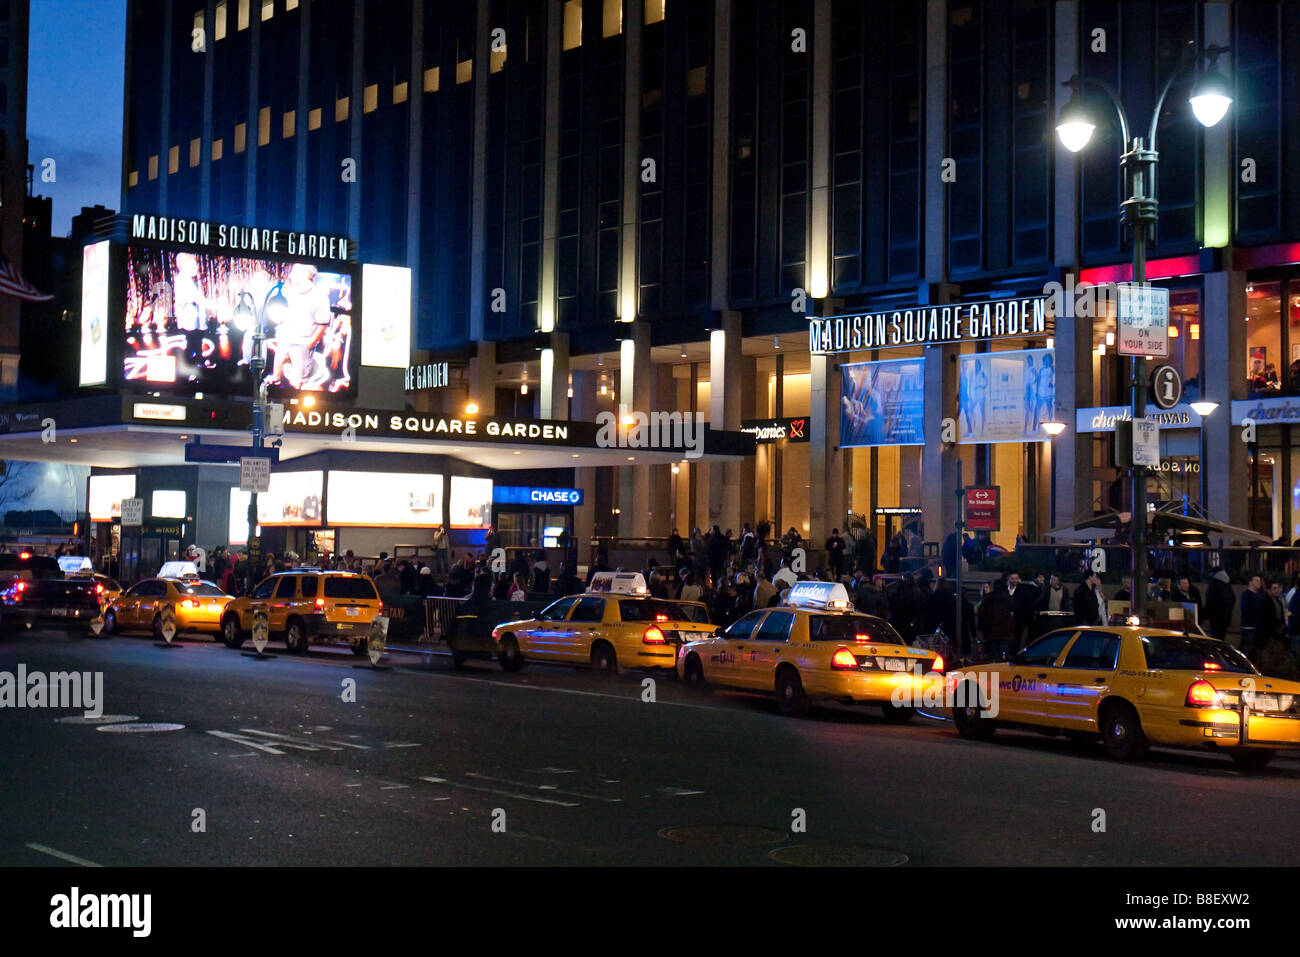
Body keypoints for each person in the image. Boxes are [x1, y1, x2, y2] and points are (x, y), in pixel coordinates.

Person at [977, 579, 1015, 661]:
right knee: (1003, 656)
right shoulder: (1009, 599)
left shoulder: (988, 598)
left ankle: (993, 670)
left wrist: (982, 629)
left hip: (990, 632)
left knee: (992, 656)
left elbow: (982, 615)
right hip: (1005, 632)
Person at [1257, 580, 1287, 654]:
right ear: (1269, 590)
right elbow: (1264, 619)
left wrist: (1282, 625)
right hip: (1267, 635)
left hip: (1276, 634)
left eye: (1277, 588)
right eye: (1274, 588)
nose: (1277, 590)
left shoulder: (1278, 601)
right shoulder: (1264, 601)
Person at [1204, 569, 1234, 641]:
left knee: (1215, 639)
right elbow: (1233, 599)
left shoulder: (1214, 583)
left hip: (1215, 618)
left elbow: (1210, 601)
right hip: (1225, 618)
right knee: (1221, 639)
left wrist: (1206, 617)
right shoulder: (1227, 584)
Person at [1239, 574, 1263, 655]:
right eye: (1256, 580)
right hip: (1248, 626)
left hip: (1256, 626)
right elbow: (1248, 609)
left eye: (1259, 581)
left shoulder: (1259, 595)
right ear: (1250, 582)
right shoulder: (1246, 595)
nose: (1259, 582)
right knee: (1246, 649)